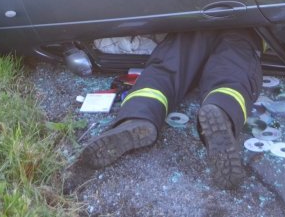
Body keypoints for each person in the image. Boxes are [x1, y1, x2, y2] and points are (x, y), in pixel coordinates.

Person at [73, 29, 262, 189]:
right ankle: (222, 111)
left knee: (168, 64)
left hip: (196, 21)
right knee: (234, 66)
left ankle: (138, 115)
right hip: (245, 24)